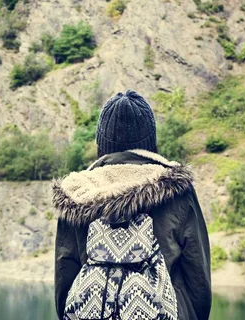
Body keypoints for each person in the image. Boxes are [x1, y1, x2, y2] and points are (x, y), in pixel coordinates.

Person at [53, 90, 211, 320]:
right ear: (150, 143)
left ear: (101, 143)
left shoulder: (76, 194)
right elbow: (198, 279)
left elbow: (64, 280)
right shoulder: (177, 190)